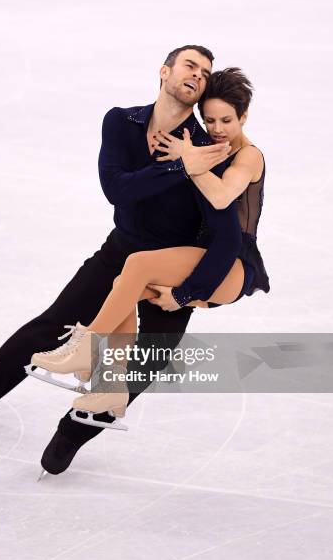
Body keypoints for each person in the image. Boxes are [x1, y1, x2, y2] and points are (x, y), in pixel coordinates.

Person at [0, 46, 250, 476]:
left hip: (168, 267)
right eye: (189, 66)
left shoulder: (206, 145)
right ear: (164, 72)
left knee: (149, 360)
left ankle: (71, 434)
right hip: (121, 250)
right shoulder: (121, 121)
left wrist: (190, 293)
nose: (198, 75)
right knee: (53, 325)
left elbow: (224, 232)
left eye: (205, 72)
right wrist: (178, 167)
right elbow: (117, 189)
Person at [29, 67, 270, 431]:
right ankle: (110, 387)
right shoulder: (208, 150)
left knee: (138, 263)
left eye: (226, 120)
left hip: (231, 265)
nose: (217, 128)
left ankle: (85, 346)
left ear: (244, 116)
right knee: (124, 286)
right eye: (210, 119)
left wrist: (188, 163)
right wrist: (187, 160)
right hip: (206, 255)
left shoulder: (248, 156)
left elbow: (222, 198)